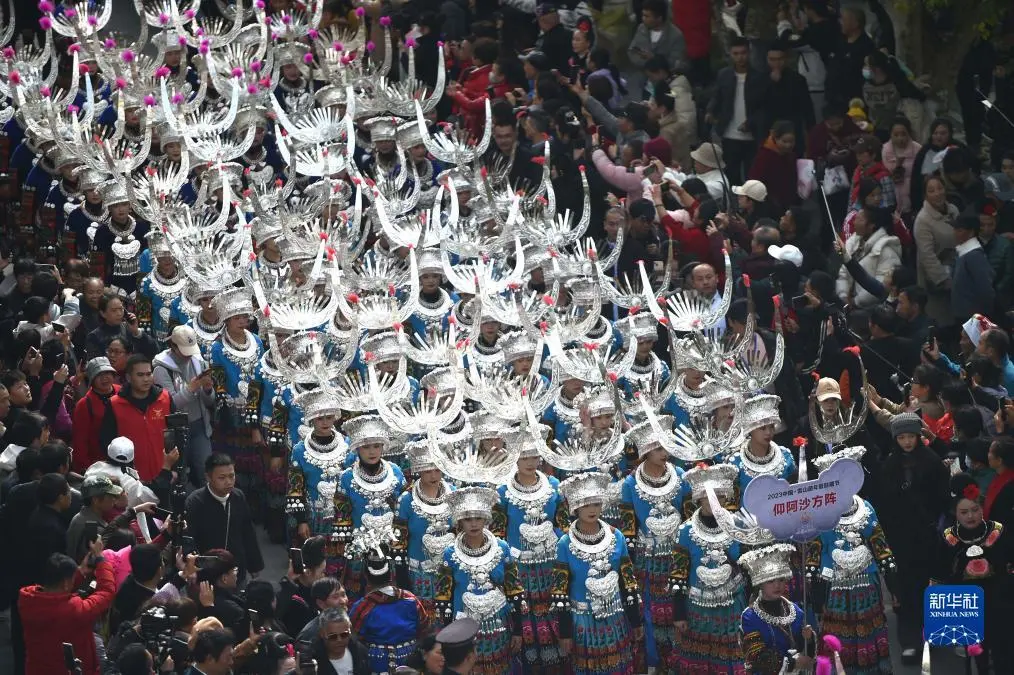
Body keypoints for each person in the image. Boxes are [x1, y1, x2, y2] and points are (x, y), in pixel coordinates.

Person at [809, 448, 894, 675]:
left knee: (870, 628)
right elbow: (815, 549)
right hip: (834, 584)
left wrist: (891, 578)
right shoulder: (820, 512)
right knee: (836, 633)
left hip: (866, 582)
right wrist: (816, 586)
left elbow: (878, 542)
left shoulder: (865, 508)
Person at [876, 413, 950, 663]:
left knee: (929, 586)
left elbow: (942, 499)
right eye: (902, 437)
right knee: (905, 590)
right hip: (900, 538)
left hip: (927, 535)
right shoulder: (890, 464)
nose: (907, 442)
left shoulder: (932, 462)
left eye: (911, 436)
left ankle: (932, 633)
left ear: (919, 436)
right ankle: (909, 641)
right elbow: (884, 502)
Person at [551, 472, 642, 675]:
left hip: (615, 617)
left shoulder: (617, 536)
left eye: (596, 504)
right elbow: (560, 591)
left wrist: (635, 620)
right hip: (583, 622)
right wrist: (565, 633)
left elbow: (628, 581)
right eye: (585, 505)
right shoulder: (565, 543)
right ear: (575, 507)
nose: (592, 510)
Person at [434, 486, 523, 675]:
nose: (473, 524)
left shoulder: (502, 548)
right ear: (459, 521)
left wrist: (518, 630)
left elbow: (514, 590)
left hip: (498, 625)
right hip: (463, 629)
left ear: (486, 519)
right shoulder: (450, 553)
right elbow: (443, 597)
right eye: (468, 519)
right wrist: (448, 635)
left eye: (478, 518)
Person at [670, 463, 747, 673]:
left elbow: (746, 566)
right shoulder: (685, 531)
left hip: (732, 604)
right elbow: (678, 575)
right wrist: (679, 613)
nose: (714, 501)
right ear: (699, 498)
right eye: (708, 496)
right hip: (698, 607)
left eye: (720, 496)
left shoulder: (738, 524)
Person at [933, 473, 1013, 674]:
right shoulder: (949, 537)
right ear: (955, 513)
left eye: (975, 510)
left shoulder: (997, 531)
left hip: (998, 596)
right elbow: (941, 570)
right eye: (964, 512)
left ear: (982, 510)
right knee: (977, 652)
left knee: (1003, 648)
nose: (970, 516)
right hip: (967, 600)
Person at [19, 542, 113, 675]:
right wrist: (101, 560)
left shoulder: (27, 602)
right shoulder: (75, 611)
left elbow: (59, 591)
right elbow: (106, 592)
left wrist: (79, 572)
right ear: (66, 583)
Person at [185, 453, 264, 581]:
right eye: (222, 478)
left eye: (232, 476)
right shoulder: (195, 502)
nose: (228, 482)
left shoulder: (238, 497)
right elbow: (188, 538)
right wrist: (193, 566)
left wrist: (254, 565)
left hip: (236, 570)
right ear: (208, 477)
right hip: (207, 572)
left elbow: (248, 532)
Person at [739, 544, 817, 674]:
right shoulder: (750, 616)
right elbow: (757, 656)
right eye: (770, 581)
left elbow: (806, 652)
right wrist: (792, 663)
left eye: (781, 580)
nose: (777, 585)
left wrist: (808, 639)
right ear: (760, 584)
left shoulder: (796, 611)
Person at [153, 325, 216, 484]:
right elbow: (170, 404)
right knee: (180, 475)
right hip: (176, 430)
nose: (188, 355)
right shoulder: (161, 369)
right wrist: (191, 388)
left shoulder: (198, 362)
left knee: (206, 471)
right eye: (184, 350)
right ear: (173, 346)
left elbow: (209, 402)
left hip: (200, 425)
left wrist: (208, 390)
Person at [98, 354, 175, 482]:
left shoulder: (165, 398)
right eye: (140, 375)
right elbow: (107, 442)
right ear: (129, 377)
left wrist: (175, 470)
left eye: (149, 374)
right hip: (131, 480)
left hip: (165, 474)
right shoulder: (115, 404)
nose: (146, 379)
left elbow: (178, 436)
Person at [349, 552, 430, 672]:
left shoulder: (363, 606)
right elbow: (425, 627)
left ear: (366, 577)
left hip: (377, 664)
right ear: (391, 574)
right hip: (410, 663)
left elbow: (352, 637)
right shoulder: (410, 599)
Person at [707, 36, 763, 184]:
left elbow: (763, 107)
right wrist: (710, 111)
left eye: (743, 53)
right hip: (729, 134)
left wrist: (751, 122)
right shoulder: (724, 75)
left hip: (752, 135)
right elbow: (717, 97)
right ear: (731, 54)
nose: (740, 57)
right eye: (736, 54)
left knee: (752, 178)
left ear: (749, 53)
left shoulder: (759, 77)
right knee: (731, 176)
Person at [914, 175, 959, 326]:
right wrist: (944, 280)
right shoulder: (922, 220)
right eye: (931, 190)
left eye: (940, 188)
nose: (937, 193)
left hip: (957, 273)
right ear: (925, 195)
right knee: (941, 323)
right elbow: (927, 256)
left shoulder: (953, 210)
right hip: (935, 282)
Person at [71, 356, 121, 472]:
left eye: (107, 373)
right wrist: (87, 469)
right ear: (92, 379)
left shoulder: (123, 392)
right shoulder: (84, 405)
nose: (104, 378)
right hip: (100, 465)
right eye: (99, 375)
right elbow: (80, 442)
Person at [950, 213, 996, 323]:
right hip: (964, 315)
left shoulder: (974, 256)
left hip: (973, 317)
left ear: (971, 232)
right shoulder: (963, 253)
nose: (955, 233)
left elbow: (985, 288)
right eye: (955, 229)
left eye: (959, 230)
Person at [748, 121, 800, 212]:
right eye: (784, 141)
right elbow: (755, 181)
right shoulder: (765, 156)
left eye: (791, 142)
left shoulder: (790, 155)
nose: (788, 145)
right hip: (769, 206)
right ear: (775, 138)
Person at [313, 607, 371, 675]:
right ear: (322, 634)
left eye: (344, 635)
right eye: (333, 636)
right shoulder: (312, 661)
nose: (339, 640)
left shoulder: (361, 651)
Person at [985, 437, 1014, 530]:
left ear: (999, 460)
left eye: (990, 452)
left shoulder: (1008, 488)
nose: (987, 454)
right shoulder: (1000, 477)